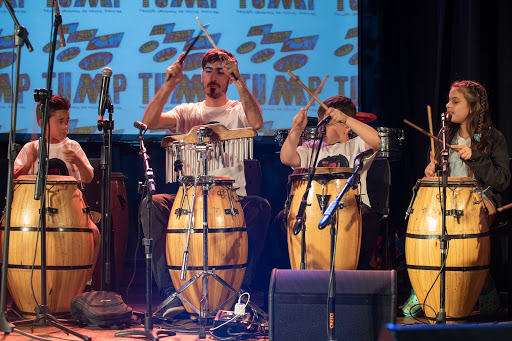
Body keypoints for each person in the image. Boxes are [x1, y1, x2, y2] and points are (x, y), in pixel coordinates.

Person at [140, 49, 271, 315]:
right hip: (190, 200)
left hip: (231, 199)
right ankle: (171, 292)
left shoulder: (236, 110)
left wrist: (241, 79)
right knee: (151, 204)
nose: (214, 77)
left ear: (229, 78)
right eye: (209, 71)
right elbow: (148, 122)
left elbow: (256, 123)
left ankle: (239, 293)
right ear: (201, 76)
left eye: (221, 72)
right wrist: (169, 85)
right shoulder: (187, 111)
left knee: (260, 207)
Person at [403, 80, 510, 317]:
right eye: (449, 100)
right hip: (447, 198)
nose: (448, 105)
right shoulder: (444, 134)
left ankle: (484, 281)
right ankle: (421, 288)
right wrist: (430, 171)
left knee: (467, 222)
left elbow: (502, 181)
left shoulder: (492, 137)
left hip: (480, 198)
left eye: (455, 101)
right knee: (426, 223)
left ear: (471, 107)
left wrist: (476, 157)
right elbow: (438, 172)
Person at [280, 95, 382, 270]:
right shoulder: (312, 147)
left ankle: (359, 272)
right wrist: (296, 129)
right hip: (315, 212)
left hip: (351, 211)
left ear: (346, 126)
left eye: (328, 122)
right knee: (283, 217)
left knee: (370, 219)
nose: (322, 128)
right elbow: (287, 158)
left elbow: (376, 141)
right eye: (321, 122)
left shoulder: (356, 146)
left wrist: (347, 118)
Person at [13, 94, 100, 286]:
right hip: (36, 211)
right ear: (42, 122)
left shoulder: (73, 147)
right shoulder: (31, 148)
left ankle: (84, 281)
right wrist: (29, 162)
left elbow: (88, 178)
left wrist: (78, 161)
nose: (65, 126)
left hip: (69, 211)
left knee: (94, 234)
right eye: (60, 121)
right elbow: (15, 179)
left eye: (67, 121)